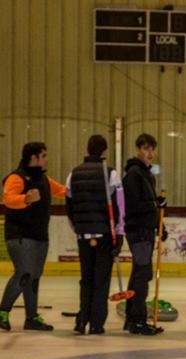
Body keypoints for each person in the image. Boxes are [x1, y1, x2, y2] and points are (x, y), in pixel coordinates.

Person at [0, 141, 63, 333]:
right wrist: (25, 199)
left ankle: (31, 317)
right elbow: (8, 199)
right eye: (44, 155)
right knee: (24, 273)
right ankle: (3, 311)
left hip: (40, 236)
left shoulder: (44, 180)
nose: (47, 159)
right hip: (20, 236)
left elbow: (64, 191)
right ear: (34, 158)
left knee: (34, 277)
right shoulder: (16, 178)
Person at [65, 134, 123, 335]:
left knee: (86, 279)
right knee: (101, 280)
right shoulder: (111, 174)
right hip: (104, 235)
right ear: (105, 151)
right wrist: (119, 233)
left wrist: (79, 229)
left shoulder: (73, 174)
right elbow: (119, 206)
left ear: (88, 149)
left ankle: (81, 321)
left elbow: (69, 207)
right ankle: (97, 323)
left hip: (83, 235)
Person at [120, 133, 165, 336]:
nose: (150, 153)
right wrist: (154, 204)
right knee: (143, 275)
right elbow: (133, 205)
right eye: (146, 149)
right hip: (138, 230)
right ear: (138, 149)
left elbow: (150, 205)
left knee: (138, 274)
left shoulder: (147, 175)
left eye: (152, 149)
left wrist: (160, 225)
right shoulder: (134, 174)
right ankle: (138, 320)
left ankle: (132, 318)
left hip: (145, 229)